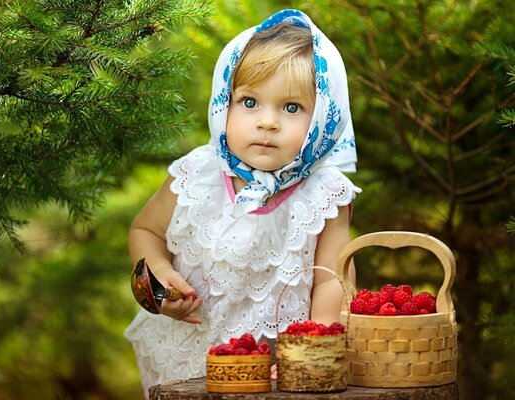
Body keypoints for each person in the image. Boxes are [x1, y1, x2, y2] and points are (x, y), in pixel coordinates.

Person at [124, 9, 360, 397]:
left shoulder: (324, 194)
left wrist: (315, 348)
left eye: (291, 108)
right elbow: (145, 230)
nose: (267, 122)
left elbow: (332, 280)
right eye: (249, 102)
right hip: (183, 355)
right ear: (224, 103)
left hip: (273, 370)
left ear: (323, 118)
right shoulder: (197, 173)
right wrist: (159, 278)